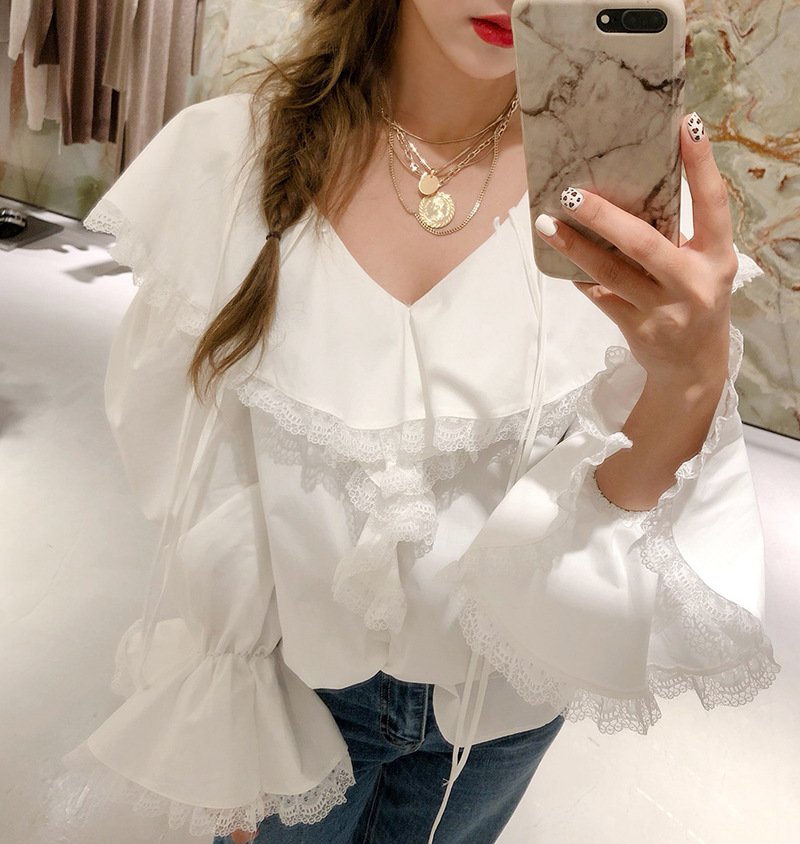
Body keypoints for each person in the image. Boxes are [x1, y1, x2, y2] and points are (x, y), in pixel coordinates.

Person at [44, 2, 780, 843]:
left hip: (501, 712)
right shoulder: (232, 154)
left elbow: (614, 507)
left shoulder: (626, 196)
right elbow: (204, 474)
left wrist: (688, 381)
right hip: (296, 697)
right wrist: (231, 703)